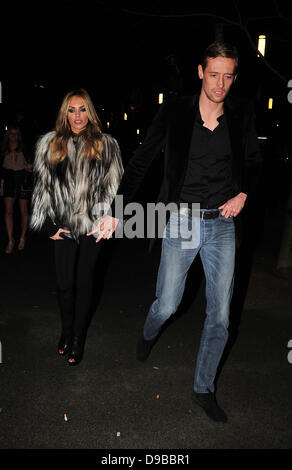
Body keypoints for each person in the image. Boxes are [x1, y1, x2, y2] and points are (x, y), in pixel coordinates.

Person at [98, 42, 261, 422]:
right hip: (182, 220)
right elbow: (140, 161)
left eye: (228, 76)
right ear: (201, 72)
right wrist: (117, 212)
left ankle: (203, 389)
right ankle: (149, 332)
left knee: (220, 315)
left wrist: (244, 192)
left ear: (234, 77)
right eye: (214, 74)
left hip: (222, 223)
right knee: (168, 304)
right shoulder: (174, 112)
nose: (220, 84)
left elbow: (254, 162)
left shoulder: (241, 114)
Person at [30, 88, 123, 366]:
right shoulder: (50, 143)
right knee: (64, 284)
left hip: (94, 225)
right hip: (63, 225)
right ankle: (67, 330)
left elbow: (117, 188)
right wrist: (48, 226)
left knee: (84, 283)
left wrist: (109, 219)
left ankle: (78, 338)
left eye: (82, 109)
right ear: (64, 113)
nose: (77, 116)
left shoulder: (107, 145)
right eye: (72, 110)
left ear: (90, 112)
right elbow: (41, 188)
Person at [0, 126, 32, 253]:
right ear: (8, 135)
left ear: (18, 135)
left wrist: (30, 167)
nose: (13, 136)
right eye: (11, 134)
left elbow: (32, 164)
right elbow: (1, 170)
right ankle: (10, 239)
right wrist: (1, 185)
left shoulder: (25, 148)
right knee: (8, 211)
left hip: (22, 179)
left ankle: (23, 237)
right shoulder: (3, 149)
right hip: (8, 180)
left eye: (15, 134)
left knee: (24, 211)